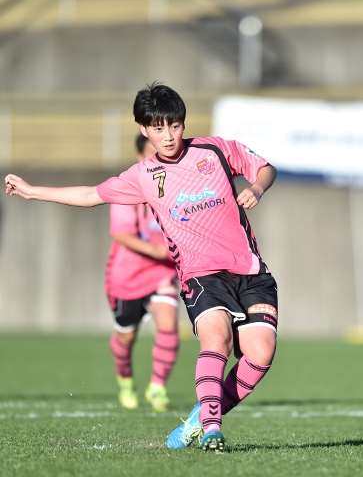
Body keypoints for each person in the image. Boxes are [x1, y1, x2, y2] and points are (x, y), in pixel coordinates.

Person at [5, 82, 278, 452]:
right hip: (202, 275)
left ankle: (200, 417)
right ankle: (212, 429)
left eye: (175, 125)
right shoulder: (144, 176)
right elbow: (90, 195)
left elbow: (264, 167)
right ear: (144, 129)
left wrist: (258, 189)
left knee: (260, 353)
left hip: (249, 270)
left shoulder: (214, 149)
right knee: (218, 339)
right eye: (159, 127)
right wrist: (34, 191)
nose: (168, 135)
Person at [106, 134, 179, 412]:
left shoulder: (175, 189)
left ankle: (158, 387)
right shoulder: (127, 190)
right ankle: (125, 380)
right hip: (127, 276)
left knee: (169, 325)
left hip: (162, 273)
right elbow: (120, 234)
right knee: (126, 336)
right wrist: (158, 251)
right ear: (139, 158)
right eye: (151, 152)